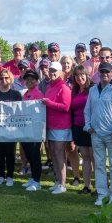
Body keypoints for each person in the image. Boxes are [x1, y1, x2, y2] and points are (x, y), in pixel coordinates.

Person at [84, 62, 112, 206]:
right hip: (96, 133)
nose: (104, 74)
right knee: (100, 164)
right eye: (102, 72)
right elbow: (87, 109)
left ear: (111, 73)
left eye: (107, 72)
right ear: (99, 73)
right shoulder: (93, 90)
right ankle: (102, 194)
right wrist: (88, 125)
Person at [43, 61, 72, 194]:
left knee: (60, 154)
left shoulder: (64, 87)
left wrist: (49, 103)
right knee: (53, 153)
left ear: (61, 72)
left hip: (61, 126)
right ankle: (57, 181)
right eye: (51, 70)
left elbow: (66, 107)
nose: (52, 73)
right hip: (51, 125)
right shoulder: (49, 87)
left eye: (55, 71)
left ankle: (63, 184)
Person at [18, 69, 45, 192]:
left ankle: (37, 181)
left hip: (34, 129)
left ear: (36, 81)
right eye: (27, 79)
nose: (29, 81)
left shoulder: (38, 94)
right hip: (26, 129)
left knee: (34, 155)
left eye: (32, 79)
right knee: (28, 154)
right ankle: (33, 177)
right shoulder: (25, 94)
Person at [69, 65, 94, 194]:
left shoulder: (93, 89)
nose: (79, 78)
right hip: (79, 127)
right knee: (85, 157)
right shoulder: (74, 90)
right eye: (76, 75)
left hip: (92, 128)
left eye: (82, 74)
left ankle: (102, 185)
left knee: (95, 157)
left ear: (86, 75)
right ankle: (87, 185)